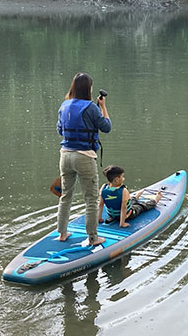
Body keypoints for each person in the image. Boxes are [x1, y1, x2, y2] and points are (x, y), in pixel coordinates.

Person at [56, 72, 111, 245]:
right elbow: (106, 127)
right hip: (84, 157)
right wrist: (103, 107)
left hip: (65, 156)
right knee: (91, 199)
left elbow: (60, 130)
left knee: (65, 195)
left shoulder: (64, 106)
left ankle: (62, 233)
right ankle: (93, 238)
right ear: (88, 88)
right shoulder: (91, 107)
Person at [99, 165, 163, 228]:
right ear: (117, 179)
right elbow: (124, 208)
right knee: (141, 206)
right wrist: (122, 223)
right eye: (122, 177)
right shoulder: (123, 191)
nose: (123, 178)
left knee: (129, 201)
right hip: (128, 214)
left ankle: (135, 197)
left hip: (112, 215)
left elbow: (100, 204)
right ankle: (156, 200)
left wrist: (99, 218)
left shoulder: (103, 187)